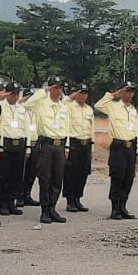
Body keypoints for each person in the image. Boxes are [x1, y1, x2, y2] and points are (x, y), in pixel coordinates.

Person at [93, 82, 138, 220]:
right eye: (127, 91)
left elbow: (136, 131)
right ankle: (115, 208)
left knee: (128, 177)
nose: (130, 94)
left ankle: (123, 207)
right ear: (122, 92)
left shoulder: (133, 110)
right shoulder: (113, 106)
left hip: (131, 146)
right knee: (117, 176)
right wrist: (113, 95)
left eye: (132, 91)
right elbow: (98, 105)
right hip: (118, 146)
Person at [25, 77, 70, 224]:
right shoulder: (41, 103)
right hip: (46, 145)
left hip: (60, 145)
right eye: (55, 87)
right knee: (45, 178)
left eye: (60, 88)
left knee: (57, 178)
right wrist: (44, 90)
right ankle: (44, 210)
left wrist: (67, 146)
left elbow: (67, 127)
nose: (58, 90)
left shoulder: (63, 106)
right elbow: (27, 104)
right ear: (50, 88)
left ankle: (52, 208)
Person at [0, 83, 30, 216]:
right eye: (12, 93)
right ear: (7, 93)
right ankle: (3, 203)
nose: (15, 96)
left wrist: (27, 148)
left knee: (16, 176)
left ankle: (12, 202)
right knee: (3, 175)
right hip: (5, 145)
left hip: (19, 144)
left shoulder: (22, 109)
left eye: (17, 94)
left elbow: (26, 129)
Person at [62, 83, 94, 213]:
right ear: (76, 93)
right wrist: (67, 147)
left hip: (86, 143)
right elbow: (67, 126)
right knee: (70, 173)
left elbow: (92, 129)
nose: (83, 96)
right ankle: (70, 200)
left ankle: (78, 198)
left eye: (85, 93)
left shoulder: (89, 110)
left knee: (83, 173)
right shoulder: (68, 107)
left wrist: (92, 147)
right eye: (81, 93)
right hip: (73, 143)